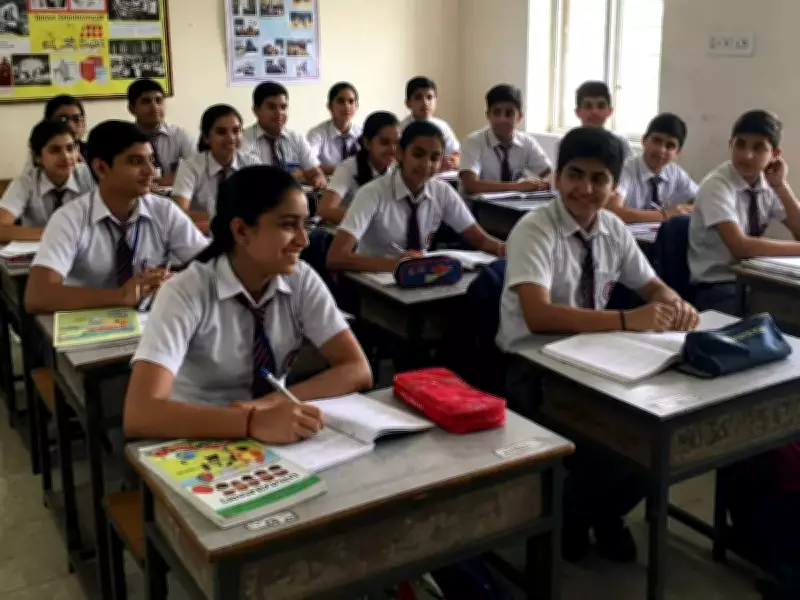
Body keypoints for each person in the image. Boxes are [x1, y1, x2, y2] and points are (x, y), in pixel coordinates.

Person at [498, 126, 698, 563]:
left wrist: (676, 304)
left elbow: (651, 285)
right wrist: (627, 320)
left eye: (599, 179)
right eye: (575, 174)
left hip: (594, 359)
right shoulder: (535, 229)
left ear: (614, 186)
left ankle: (600, 514)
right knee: (618, 438)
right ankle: (572, 520)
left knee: (657, 435)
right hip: (535, 367)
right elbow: (539, 315)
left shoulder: (612, 227)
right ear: (557, 177)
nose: (586, 189)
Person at [123, 165, 372, 441]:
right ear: (241, 231)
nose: (303, 241)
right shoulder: (186, 291)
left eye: (304, 224)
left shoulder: (299, 279)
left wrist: (268, 405)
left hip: (273, 428)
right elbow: (140, 413)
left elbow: (357, 369)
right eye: (288, 225)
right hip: (197, 433)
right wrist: (250, 421)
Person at [24, 120, 208, 314]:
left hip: (149, 321)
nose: (151, 171)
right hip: (87, 325)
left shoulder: (164, 210)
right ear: (101, 168)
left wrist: (173, 280)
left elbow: (213, 269)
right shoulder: (69, 219)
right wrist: (120, 296)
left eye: (151, 160)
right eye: (136, 162)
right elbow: (37, 296)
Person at [327, 121, 504, 273]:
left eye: (434, 158)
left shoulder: (442, 191)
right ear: (400, 153)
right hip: (376, 282)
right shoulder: (372, 193)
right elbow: (336, 257)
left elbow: (481, 240)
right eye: (418, 154)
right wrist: (395, 265)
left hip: (422, 278)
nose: (426, 164)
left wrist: (510, 250)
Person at [689, 109, 800, 314]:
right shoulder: (717, 185)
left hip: (755, 283)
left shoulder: (767, 184)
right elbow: (741, 247)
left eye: (758, 148)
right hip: (718, 287)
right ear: (730, 145)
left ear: (775, 154)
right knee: (785, 315)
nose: (746, 155)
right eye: (740, 144)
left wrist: (781, 186)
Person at [0, 120, 94, 242]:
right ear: (37, 157)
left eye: (70, 148)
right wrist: (57, 233)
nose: (66, 156)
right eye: (55, 150)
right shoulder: (26, 181)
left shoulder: (90, 175)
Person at [172, 104, 261, 221]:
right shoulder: (190, 166)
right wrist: (225, 220)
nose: (231, 138)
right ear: (206, 137)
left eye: (236, 131)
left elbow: (264, 208)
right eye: (222, 132)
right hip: (200, 231)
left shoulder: (252, 164)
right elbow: (179, 213)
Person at [459, 84, 551, 195]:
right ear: (488, 115)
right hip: (479, 205)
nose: (502, 119)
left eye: (509, 113)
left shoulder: (527, 142)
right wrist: (517, 187)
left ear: (520, 117)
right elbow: (471, 184)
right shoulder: (473, 142)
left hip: (517, 204)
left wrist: (544, 184)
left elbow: (550, 175)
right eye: (496, 112)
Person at [608, 113, 698, 223]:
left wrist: (686, 209)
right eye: (657, 141)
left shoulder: (674, 172)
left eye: (670, 146)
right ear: (644, 140)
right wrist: (667, 215)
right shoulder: (625, 169)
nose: (661, 150)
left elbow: (703, 200)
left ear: (678, 152)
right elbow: (615, 212)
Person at [316, 111, 399, 225]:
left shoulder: (398, 169)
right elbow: (325, 209)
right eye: (384, 142)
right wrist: (369, 221)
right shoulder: (348, 168)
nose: (393, 149)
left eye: (397, 143)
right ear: (367, 143)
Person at [242, 81, 326, 189]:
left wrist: (318, 179)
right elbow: (254, 179)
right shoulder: (243, 139)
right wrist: (293, 176)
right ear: (256, 110)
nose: (279, 113)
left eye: (283, 107)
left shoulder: (296, 138)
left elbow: (316, 173)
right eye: (271, 107)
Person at [127, 78, 195, 187]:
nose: (154, 107)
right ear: (131, 108)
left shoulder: (180, 136)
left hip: (175, 195)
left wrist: (168, 180)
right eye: (146, 102)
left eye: (159, 100)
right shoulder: (123, 139)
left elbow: (199, 170)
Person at [399, 76, 460, 172]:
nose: (425, 103)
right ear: (408, 103)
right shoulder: (400, 129)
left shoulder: (442, 126)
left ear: (436, 101)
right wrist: (436, 165)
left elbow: (456, 153)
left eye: (429, 97)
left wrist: (454, 161)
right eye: (418, 97)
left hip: (445, 177)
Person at [306, 82, 363, 175]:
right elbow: (308, 163)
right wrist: (345, 170)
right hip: (328, 182)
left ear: (356, 106)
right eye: (341, 101)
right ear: (330, 106)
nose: (347, 106)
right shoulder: (317, 134)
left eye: (351, 101)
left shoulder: (362, 133)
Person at [573, 81, 634, 160]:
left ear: (610, 111)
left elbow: (631, 166)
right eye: (588, 106)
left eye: (601, 106)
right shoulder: (566, 143)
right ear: (577, 112)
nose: (594, 111)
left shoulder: (620, 142)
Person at [44, 95, 89, 162]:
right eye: (62, 119)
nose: (70, 125)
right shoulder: (42, 153)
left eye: (76, 119)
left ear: (83, 123)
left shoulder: (95, 151)